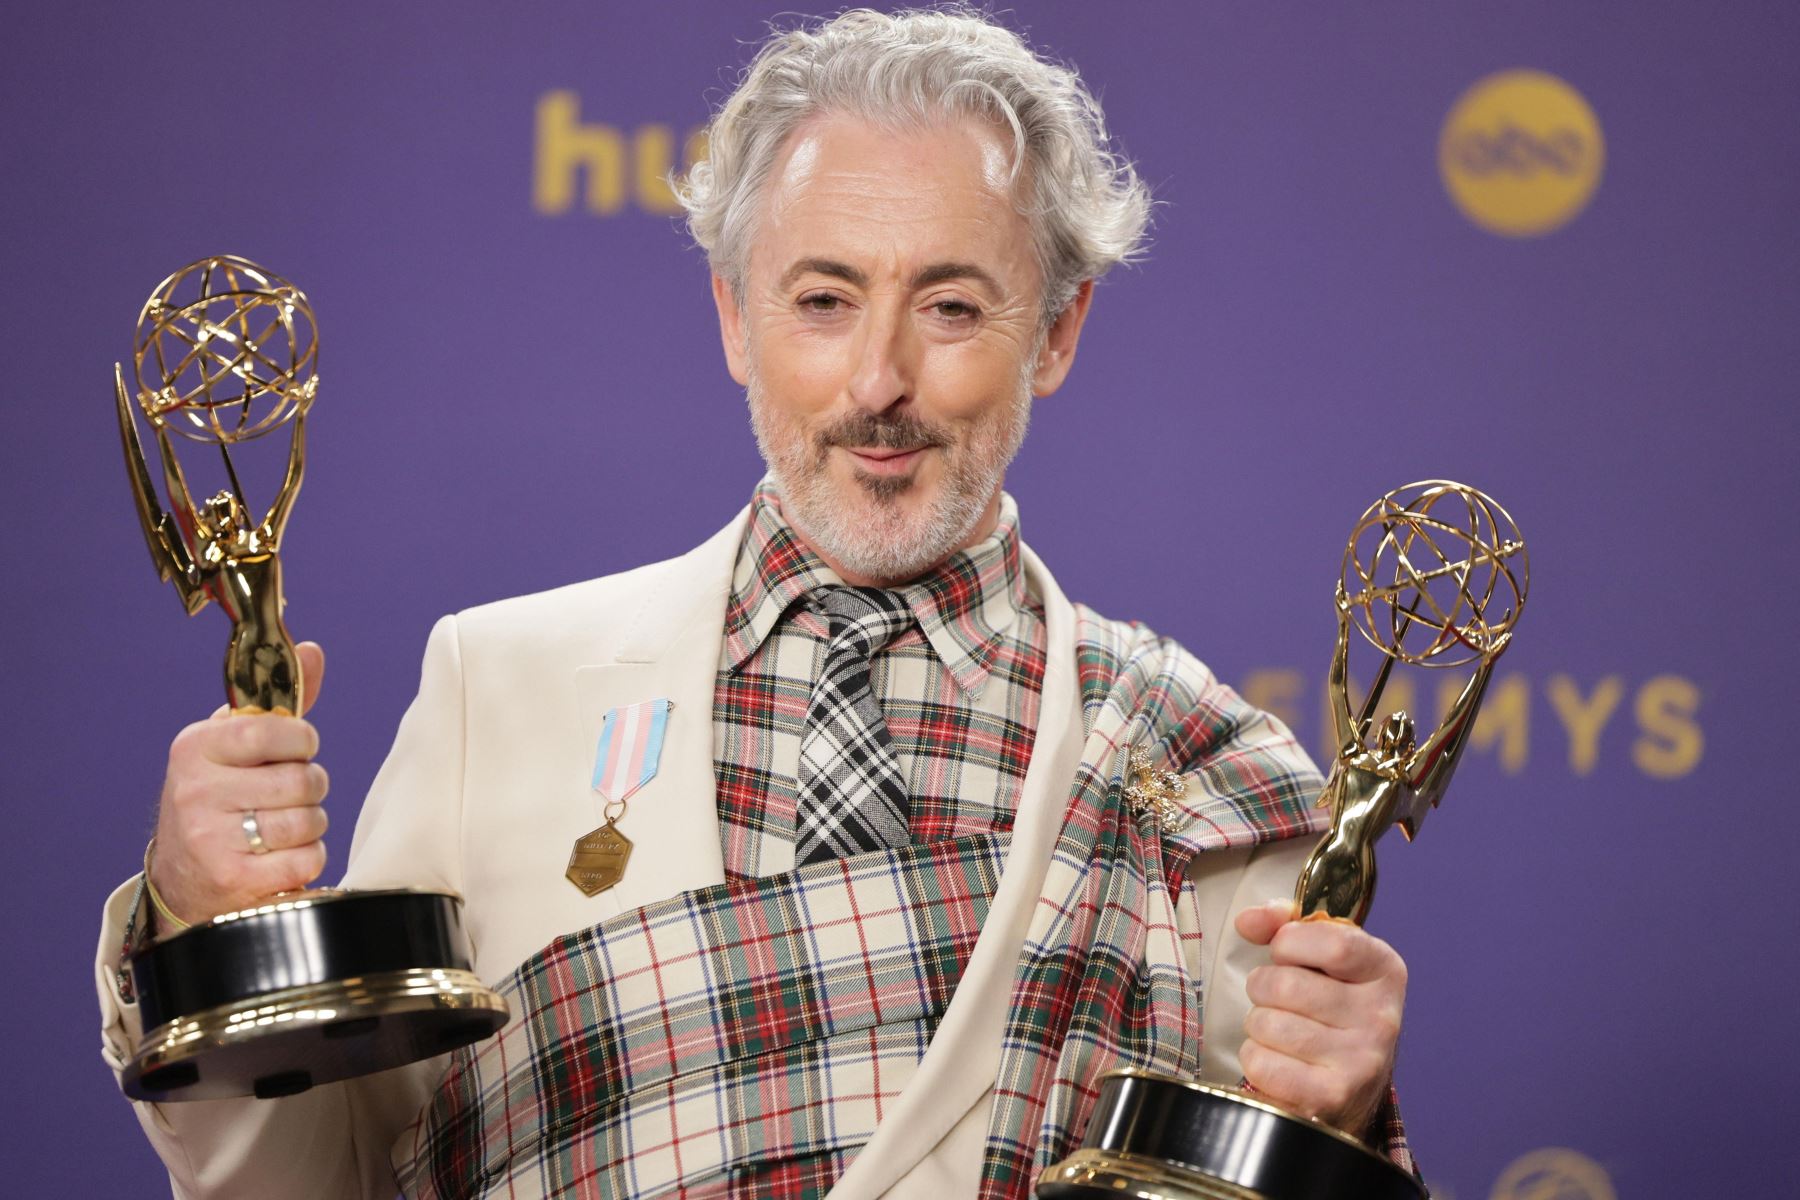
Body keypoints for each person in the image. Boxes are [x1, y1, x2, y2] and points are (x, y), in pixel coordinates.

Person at [94, 9, 1417, 1197]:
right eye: (822, 301)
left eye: (951, 306)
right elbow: (308, 1181)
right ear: (734, 317)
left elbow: (1268, 1175)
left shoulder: (1202, 771)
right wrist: (198, 927)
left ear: (1059, 332)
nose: (878, 380)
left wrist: (1347, 1118)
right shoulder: (493, 694)